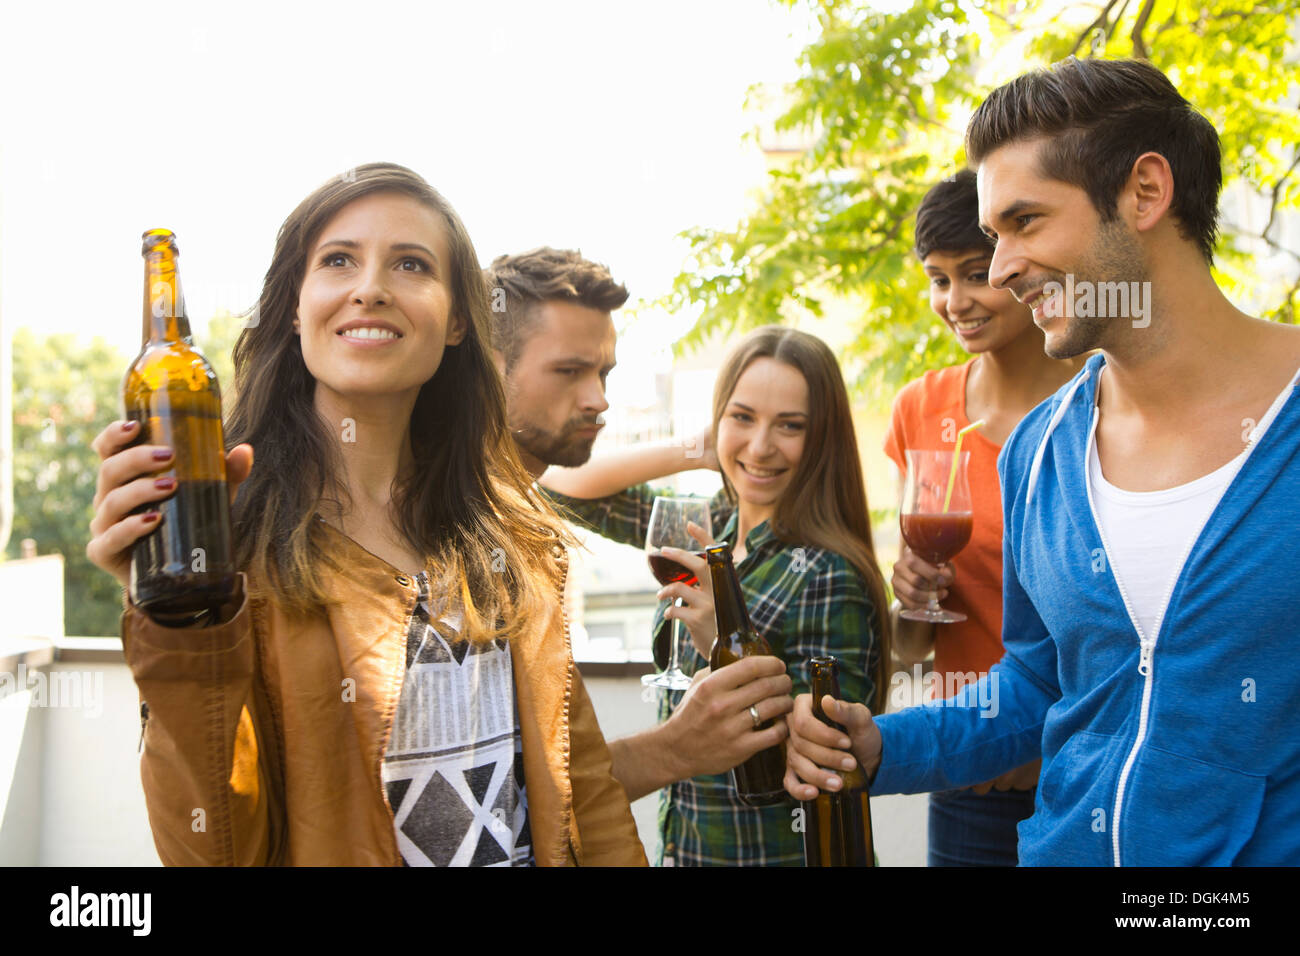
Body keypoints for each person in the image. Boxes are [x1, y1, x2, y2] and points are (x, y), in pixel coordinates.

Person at [786, 57, 1300, 865]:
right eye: (995, 237)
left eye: (1025, 223)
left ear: (1145, 193)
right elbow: (1035, 683)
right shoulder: (1039, 454)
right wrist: (884, 748)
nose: (998, 272)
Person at [87, 163, 646, 866]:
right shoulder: (231, 546)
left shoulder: (514, 536)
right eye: (338, 260)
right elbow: (213, 850)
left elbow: (581, 794)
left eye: (411, 264)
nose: (371, 288)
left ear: (457, 322)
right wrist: (179, 621)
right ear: (295, 308)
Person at [542, 325, 891, 866]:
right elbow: (561, 482)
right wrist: (699, 450)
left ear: (822, 437)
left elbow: (823, 764)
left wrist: (719, 642)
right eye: (743, 417)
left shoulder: (830, 571)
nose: (761, 447)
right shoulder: (709, 531)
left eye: (790, 426)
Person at [484, 249, 797, 808]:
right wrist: (696, 450)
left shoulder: (522, 538)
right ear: (488, 365)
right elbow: (496, 791)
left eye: (603, 373)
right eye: (569, 371)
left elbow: (542, 774)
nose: (599, 400)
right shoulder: (458, 535)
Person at [886, 169, 1084, 866]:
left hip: (1087, 763)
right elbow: (912, 650)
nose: (956, 301)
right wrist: (910, 597)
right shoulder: (922, 409)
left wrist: (1045, 741)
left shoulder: (1104, 401)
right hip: (973, 772)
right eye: (939, 280)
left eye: (975, 274)